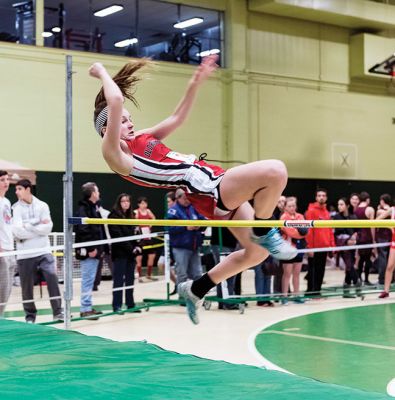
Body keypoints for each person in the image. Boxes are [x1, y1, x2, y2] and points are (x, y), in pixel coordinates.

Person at [89, 55, 296, 324]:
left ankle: (197, 288)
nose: (130, 123)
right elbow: (115, 101)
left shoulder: (143, 138)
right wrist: (102, 72)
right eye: (124, 121)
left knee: (257, 253)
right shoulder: (115, 155)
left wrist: (194, 84)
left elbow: (177, 117)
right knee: (275, 171)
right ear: (108, 128)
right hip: (208, 189)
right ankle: (264, 228)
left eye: (130, 119)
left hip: (212, 185)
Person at [12, 179, 63, 323]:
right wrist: (37, 227)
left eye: (19, 189)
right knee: (26, 288)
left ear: (28, 189)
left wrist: (27, 226)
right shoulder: (15, 208)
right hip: (24, 255)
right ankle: (30, 316)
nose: (17, 192)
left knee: (52, 277)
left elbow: (48, 228)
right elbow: (17, 232)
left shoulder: (42, 205)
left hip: (43, 251)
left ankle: (58, 312)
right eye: (16, 189)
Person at [74, 182, 104, 320]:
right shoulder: (83, 209)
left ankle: (88, 306)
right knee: (87, 280)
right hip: (89, 251)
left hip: (95, 250)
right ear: (92, 193)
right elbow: (83, 230)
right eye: (97, 191)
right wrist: (91, 248)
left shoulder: (94, 207)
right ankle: (85, 308)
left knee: (90, 279)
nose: (99, 194)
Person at [108, 193, 142, 313]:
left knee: (130, 280)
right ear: (119, 202)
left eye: (128, 201)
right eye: (123, 201)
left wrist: (138, 246)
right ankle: (116, 306)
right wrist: (131, 248)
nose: (126, 203)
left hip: (131, 255)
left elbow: (138, 232)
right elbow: (117, 235)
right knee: (118, 280)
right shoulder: (112, 216)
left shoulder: (132, 215)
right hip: (120, 253)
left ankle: (130, 304)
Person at [167, 188, 205, 289]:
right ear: (178, 198)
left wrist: (199, 225)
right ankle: (182, 297)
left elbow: (203, 219)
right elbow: (169, 228)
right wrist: (185, 227)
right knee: (182, 274)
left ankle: (196, 294)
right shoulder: (173, 211)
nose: (187, 200)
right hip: (181, 247)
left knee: (197, 274)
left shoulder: (194, 207)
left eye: (189, 198)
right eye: (185, 198)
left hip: (194, 246)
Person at [305, 188, 335, 296]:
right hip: (315, 247)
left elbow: (330, 230)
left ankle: (317, 291)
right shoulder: (311, 211)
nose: (321, 197)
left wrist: (332, 246)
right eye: (319, 195)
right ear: (316, 197)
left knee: (321, 270)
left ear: (326, 198)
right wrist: (310, 247)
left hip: (324, 247)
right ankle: (311, 291)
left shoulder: (327, 212)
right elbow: (309, 230)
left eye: (323, 195)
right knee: (313, 270)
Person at [280, 197, 307, 304]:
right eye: (289, 206)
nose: (292, 208)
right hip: (287, 249)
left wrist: (300, 232)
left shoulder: (300, 216)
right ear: (285, 207)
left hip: (299, 248)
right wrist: (299, 232)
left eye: (293, 206)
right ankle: (284, 296)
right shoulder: (283, 218)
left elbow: (305, 230)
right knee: (287, 274)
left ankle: (296, 295)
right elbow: (291, 232)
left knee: (296, 273)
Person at [332, 198, 360, 297]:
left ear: (347, 205)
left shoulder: (353, 216)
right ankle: (358, 283)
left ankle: (346, 291)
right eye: (338, 204)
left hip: (353, 245)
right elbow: (338, 232)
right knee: (349, 265)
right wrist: (347, 240)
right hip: (343, 245)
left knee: (349, 267)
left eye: (342, 204)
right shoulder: (336, 217)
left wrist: (354, 237)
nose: (339, 206)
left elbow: (357, 230)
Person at [0, 171, 15, 317]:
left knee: (7, 289)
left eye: (6, 179)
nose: (5, 182)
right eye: (2, 180)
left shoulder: (6, 202)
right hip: (2, 251)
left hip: (10, 250)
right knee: (2, 288)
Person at [354, 192, 376, 285]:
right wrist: (374, 239)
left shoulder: (356, 209)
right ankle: (366, 279)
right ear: (367, 199)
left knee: (360, 258)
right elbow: (372, 226)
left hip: (359, 236)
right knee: (367, 258)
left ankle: (359, 278)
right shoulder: (370, 209)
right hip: (367, 237)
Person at [134, 196, 157, 281]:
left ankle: (149, 275)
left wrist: (150, 225)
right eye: (142, 203)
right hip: (140, 237)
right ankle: (139, 276)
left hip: (148, 236)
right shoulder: (136, 212)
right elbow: (134, 223)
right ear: (139, 204)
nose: (144, 205)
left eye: (145, 203)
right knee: (139, 257)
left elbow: (154, 218)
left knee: (152, 255)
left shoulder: (148, 211)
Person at [377, 206, 395, 298]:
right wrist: (389, 226)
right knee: (390, 266)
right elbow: (377, 220)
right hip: (394, 241)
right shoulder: (392, 209)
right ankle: (386, 291)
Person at [375, 194, 392, 285]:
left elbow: (376, 221)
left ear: (382, 201)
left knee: (382, 258)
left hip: (382, 236)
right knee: (391, 258)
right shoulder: (392, 210)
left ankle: (382, 279)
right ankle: (391, 279)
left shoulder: (380, 211)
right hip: (391, 236)